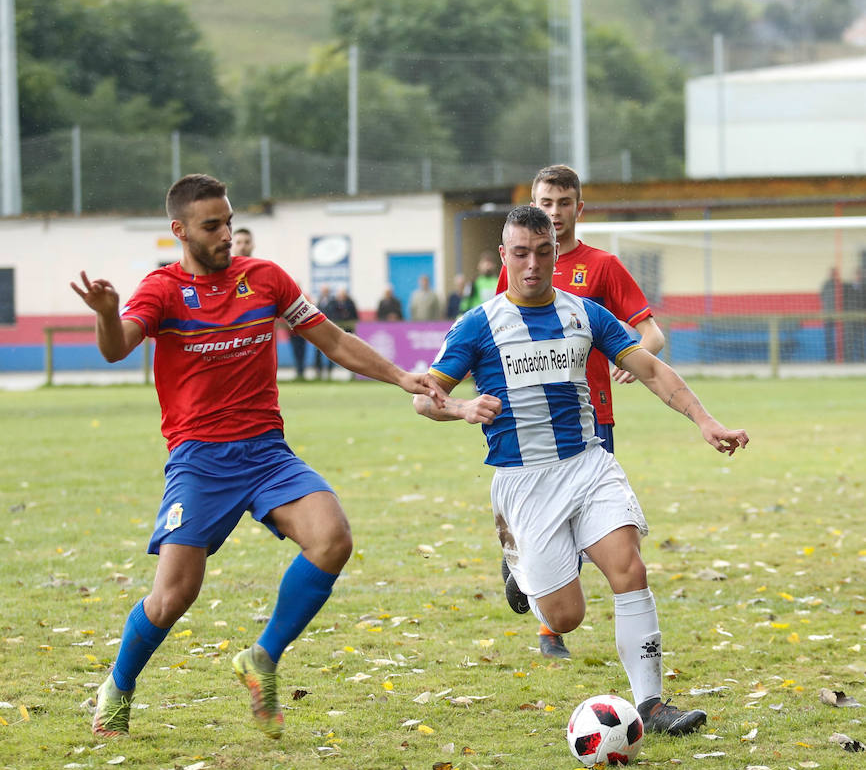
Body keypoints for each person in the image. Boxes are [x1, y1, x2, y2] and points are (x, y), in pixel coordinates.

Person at [70, 173, 445, 740]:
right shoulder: (163, 289)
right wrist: (106, 311)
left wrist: (401, 378)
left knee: (333, 538)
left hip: (267, 452)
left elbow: (336, 341)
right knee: (173, 595)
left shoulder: (265, 280)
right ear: (180, 230)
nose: (227, 233)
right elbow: (116, 347)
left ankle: (262, 658)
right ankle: (118, 686)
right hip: (199, 459)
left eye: (228, 220)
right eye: (212, 225)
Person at [413, 205, 748, 736]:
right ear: (504, 256)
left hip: (588, 465)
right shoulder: (478, 326)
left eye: (543, 253)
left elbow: (653, 369)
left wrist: (704, 420)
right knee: (566, 617)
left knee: (629, 569)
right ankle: (519, 567)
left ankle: (653, 705)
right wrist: (458, 408)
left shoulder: (584, 313)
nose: (532, 265)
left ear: (555, 253)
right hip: (525, 481)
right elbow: (425, 398)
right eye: (520, 254)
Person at [494, 164, 665, 659]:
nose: (554, 212)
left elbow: (650, 332)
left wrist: (636, 359)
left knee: (590, 522)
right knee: (548, 522)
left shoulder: (603, 266)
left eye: (563, 203)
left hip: (593, 416)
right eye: (545, 203)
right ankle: (550, 629)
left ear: (578, 208)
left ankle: (531, 579)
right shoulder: (520, 265)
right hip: (529, 421)